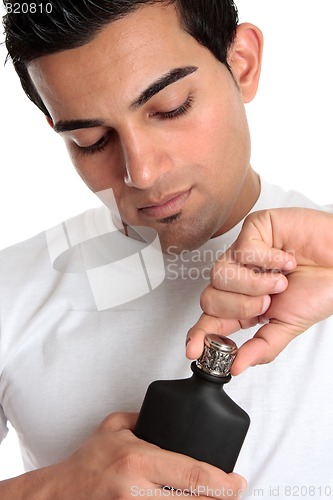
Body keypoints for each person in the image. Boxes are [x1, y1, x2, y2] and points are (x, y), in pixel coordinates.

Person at [0, 0, 332, 498]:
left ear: (242, 62)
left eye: (170, 108)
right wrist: (46, 491)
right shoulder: (11, 291)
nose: (142, 173)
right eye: (91, 140)